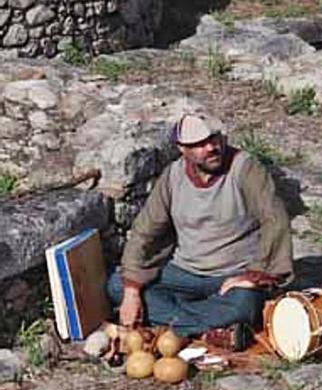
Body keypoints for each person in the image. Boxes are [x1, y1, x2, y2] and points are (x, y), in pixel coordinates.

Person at [106, 113, 293, 351]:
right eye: (200, 144)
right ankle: (209, 329)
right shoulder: (173, 176)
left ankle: (176, 321)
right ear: (182, 149)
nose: (212, 147)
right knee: (116, 286)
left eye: (215, 139)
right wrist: (132, 291)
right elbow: (145, 230)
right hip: (184, 271)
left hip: (232, 275)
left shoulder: (245, 168)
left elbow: (274, 219)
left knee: (242, 305)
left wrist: (253, 276)